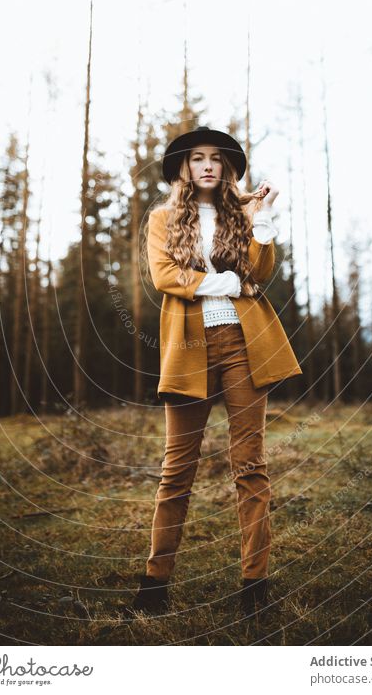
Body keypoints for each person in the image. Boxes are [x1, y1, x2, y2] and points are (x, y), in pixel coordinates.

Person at [124, 125, 302, 619]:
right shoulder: (162, 219)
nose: (207, 164)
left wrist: (260, 221)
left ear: (226, 168)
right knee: (176, 470)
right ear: (183, 166)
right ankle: (154, 585)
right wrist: (224, 281)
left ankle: (255, 584)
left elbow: (259, 276)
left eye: (216, 159)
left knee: (250, 465)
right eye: (196, 157)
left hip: (245, 346)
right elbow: (165, 277)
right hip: (190, 348)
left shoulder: (237, 215)